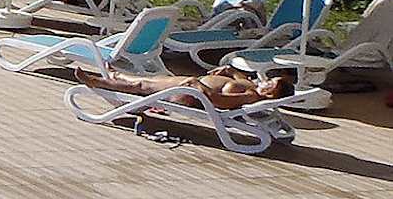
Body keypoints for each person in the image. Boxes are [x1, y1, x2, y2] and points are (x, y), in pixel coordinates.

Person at [80, 67, 293, 109]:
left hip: (189, 93)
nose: (266, 82)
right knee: (151, 80)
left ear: (272, 95)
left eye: (271, 85)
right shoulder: (251, 86)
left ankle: (97, 82)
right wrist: (229, 70)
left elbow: (217, 101)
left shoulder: (251, 96)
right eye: (270, 80)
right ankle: (117, 75)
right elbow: (238, 77)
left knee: (142, 86)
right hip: (191, 85)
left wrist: (197, 84)